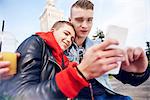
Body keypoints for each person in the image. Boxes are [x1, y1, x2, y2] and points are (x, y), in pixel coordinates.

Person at [65, 0, 149, 99]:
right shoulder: (60, 47)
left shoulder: (101, 47)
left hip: (103, 95)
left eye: (89, 20)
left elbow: (128, 79)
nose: (85, 25)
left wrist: (139, 72)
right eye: (79, 19)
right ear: (70, 20)